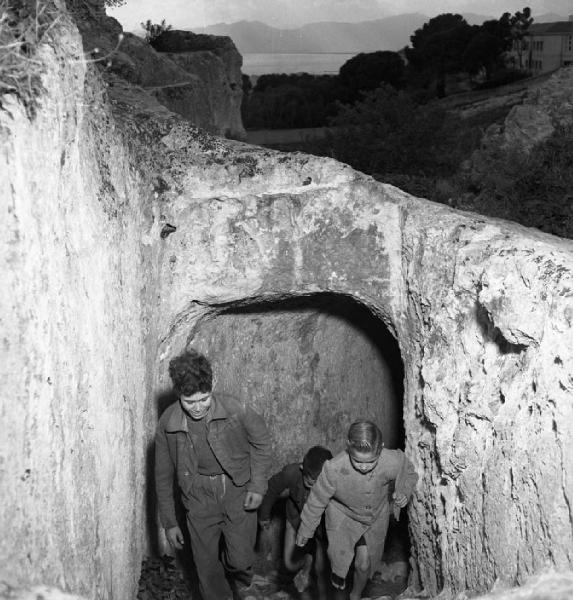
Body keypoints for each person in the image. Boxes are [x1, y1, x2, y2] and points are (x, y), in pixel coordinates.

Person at [155, 349, 272, 600]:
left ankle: (235, 574)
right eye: (189, 402)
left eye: (204, 399)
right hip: (197, 497)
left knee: (240, 560)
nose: (197, 407)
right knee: (206, 568)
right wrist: (170, 522)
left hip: (236, 489)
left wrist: (257, 485)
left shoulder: (235, 408)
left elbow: (262, 441)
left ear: (212, 387)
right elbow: (162, 476)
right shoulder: (168, 423)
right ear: (178, 394)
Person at [295, 420, 418, 600]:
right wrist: (306, 528)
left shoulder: (391, 460)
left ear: (380, 449)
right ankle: (338, 580)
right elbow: (317, 499)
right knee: (339, 561)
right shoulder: (334, 469)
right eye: (357, 461)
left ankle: (355, 595)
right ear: (348, 447)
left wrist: (403, 491)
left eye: (370, 462)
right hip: (343, 517)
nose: (363, 467)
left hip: (373, 518)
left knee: (364, 565)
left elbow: (408, 472)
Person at [258, 446, 333, 599]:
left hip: (322, 527)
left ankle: (323, 595)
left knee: (321, 569)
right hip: (295, 519)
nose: (314, 486)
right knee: (289, 563)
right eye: (310, 481)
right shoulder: (291, 473)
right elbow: (272, 488)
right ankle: (306, 561)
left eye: (319, 482)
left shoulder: (336, 482)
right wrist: (264, 515)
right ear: (302, 469)